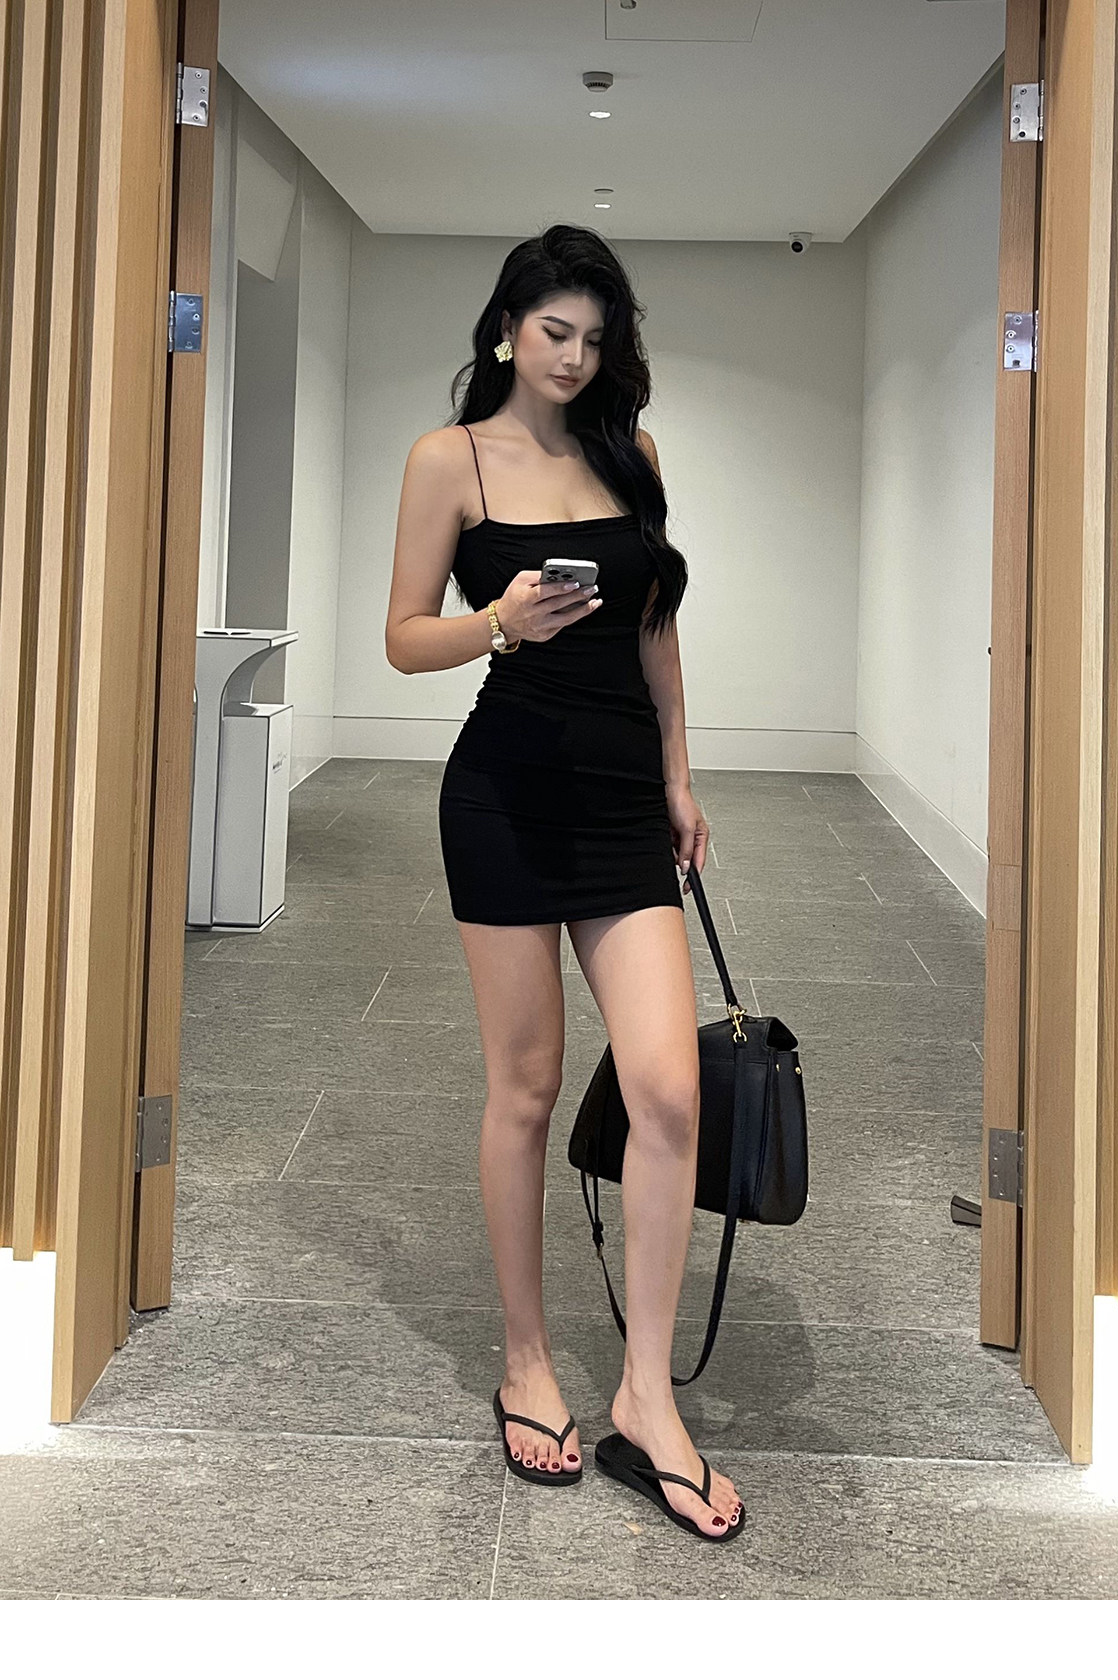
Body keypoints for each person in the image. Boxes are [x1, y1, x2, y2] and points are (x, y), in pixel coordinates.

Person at [384, 224, 743, 1542]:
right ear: (506, 330)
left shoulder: (629, 451)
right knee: (526, 1090)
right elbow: (401, 637)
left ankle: (647, 1396)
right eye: (555, 333)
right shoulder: (450, 458)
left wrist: (680, 776)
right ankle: (526, 1360)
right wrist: (499, 622)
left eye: (595, 338)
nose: (576, 357)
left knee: (667, 1088)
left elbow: (656, 630)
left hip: (621, 806)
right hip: (504, 799)